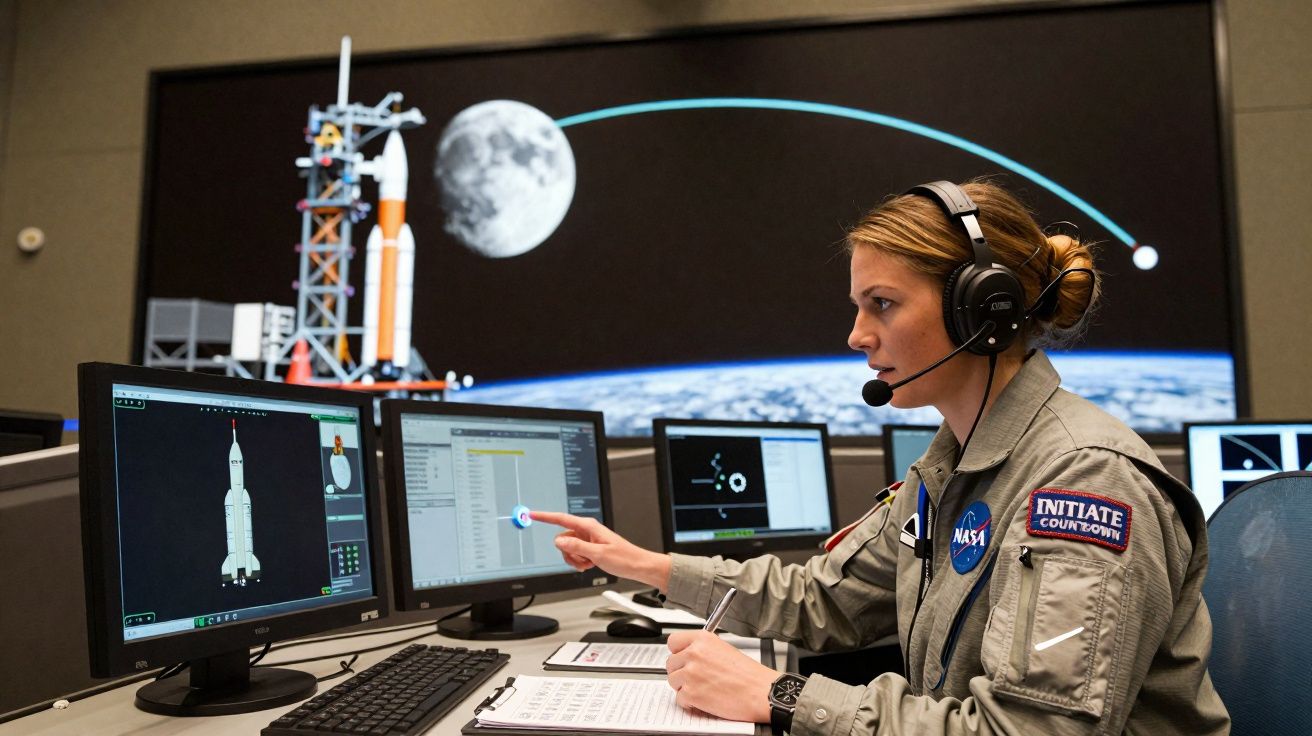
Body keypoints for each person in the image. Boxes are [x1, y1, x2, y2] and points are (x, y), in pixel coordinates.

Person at [531, 179, 1230, 735]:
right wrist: (638, 564)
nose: (856, 335)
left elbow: (1031, 730)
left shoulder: (1085, 480)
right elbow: (821, 601)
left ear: (980, 312)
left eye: (883, 304)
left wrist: (778, 696)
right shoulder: (947, 473)